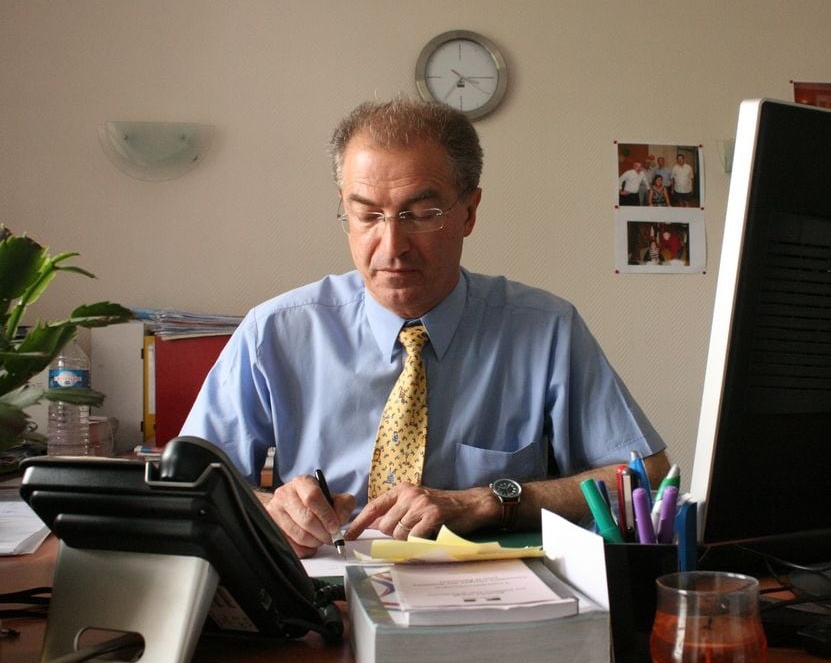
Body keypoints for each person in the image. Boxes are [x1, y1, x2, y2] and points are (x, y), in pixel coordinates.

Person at [182, 97, 669, 557]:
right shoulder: (274, 332)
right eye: (367, 215)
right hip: (323, 594)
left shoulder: (545, 331)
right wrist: (271, 508)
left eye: (420, 215)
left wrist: (489, 501)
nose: (391, 246)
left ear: (469, 212)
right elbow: (189, 481)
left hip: (492, 594)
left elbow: (645, 475)